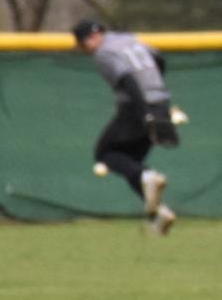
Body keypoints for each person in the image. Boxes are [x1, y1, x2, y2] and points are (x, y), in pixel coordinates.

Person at [72, 18, 181, 235]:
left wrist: (144, 113)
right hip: (160, 101)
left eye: (84, 45)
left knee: (104, 152)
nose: (85, 50)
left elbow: (128, 80)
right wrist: (155, 88)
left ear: (91, 38)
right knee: (131, 163)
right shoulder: (128, 39)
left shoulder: (103, 53)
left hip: (137, 106)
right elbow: (159, 59)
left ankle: (148, 182)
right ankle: (159, 213)